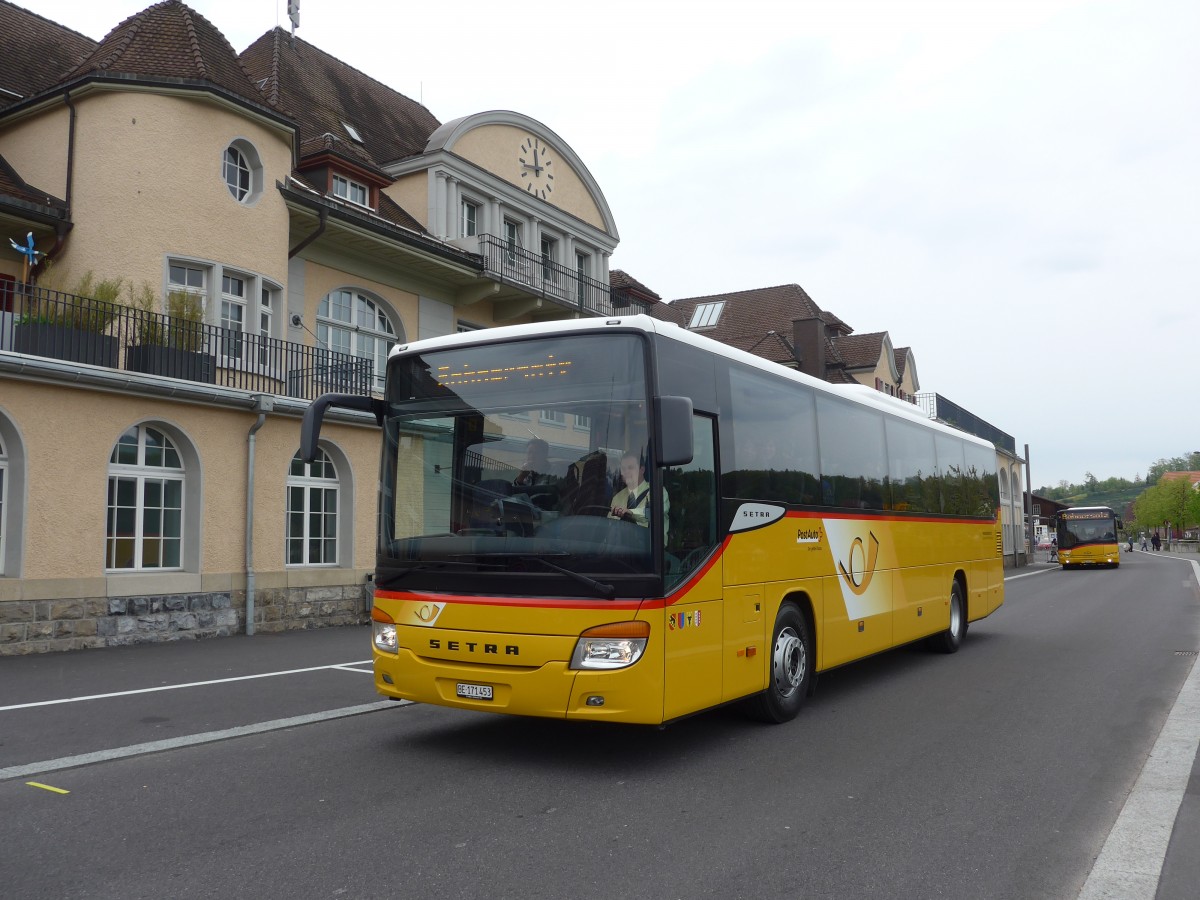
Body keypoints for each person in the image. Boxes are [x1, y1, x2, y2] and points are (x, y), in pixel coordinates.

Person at [609, 451, 669, 537]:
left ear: (642, 469)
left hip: (651, 549)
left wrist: (630, 512)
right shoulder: (617, 498)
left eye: (630, 468)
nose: (625, 472)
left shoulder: (658, 492)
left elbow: (656, 513)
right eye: (623, 468)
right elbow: (610, 527)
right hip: (621, 549)